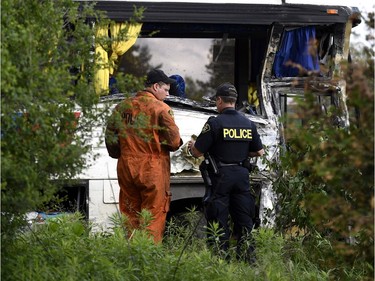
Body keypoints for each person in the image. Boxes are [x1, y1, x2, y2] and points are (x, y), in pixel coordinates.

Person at [187, 82, 264, 262]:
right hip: (242, 176)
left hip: (220, 177)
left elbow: (197, 151)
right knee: (244, 218)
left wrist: (192, 146)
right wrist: (242, 152)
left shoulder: (215, 123)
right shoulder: (248, 123)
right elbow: (259, 152)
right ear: (235, 102)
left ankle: (220, 260)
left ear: (220, 100)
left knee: (218, 218)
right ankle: (248, 259)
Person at [105, 69, 183, 243]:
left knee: (130, 212)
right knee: (153, 216)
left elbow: (110, 136)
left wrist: (118, 154)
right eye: (166, 90)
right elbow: (174, 142)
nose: (168, 94)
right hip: (152, 169)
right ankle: (148, 257)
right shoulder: (161, 108)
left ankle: (131, 254)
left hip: (126, 166)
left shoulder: (122, 106)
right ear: (156, 87)